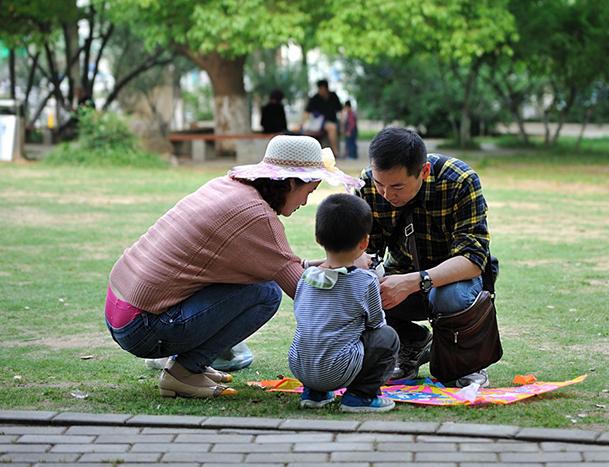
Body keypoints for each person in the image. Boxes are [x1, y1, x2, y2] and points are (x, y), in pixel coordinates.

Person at [105, 135, 362, 399]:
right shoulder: (257, 217)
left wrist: (336, 264)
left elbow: (283, 266)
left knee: (262, 285)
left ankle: (191, 365)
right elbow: (304, 292)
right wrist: (360, 290)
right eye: (309, 191)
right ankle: (184, 372)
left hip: (121, 310)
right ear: (292, 182)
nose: (305, 202)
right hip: (143, 327)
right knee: (267, 294)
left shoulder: (227, 188)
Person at [356, 127, 493, 388]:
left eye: (397, 186)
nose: (386, 194)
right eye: (379, 183)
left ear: (424, 171)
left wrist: (411, 282)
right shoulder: (366, 186)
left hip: (456, 279)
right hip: (400, 276)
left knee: (447, 295)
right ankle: (411, 343)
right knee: (361, 286)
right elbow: (365, 252)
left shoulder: (460, 181)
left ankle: (467, 362)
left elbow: (473, 259)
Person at [288, 193, 399, 413]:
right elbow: (377, 324)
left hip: (300, 366)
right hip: (337, 370)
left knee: (319, 333)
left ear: (318, 238)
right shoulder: (365, 281)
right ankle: (360, 396)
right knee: (388, 337)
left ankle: (314, 393)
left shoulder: (307, 276)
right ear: (365, 242)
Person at [302, 79, 343, 157]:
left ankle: (334, 151)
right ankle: (335, 151)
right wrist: (304, 123)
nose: (320, 90)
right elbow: (307, 112)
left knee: (333, 126)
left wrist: (342, 123)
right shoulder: (315, 98)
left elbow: (340, 110)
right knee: (332, 127)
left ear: (326, 88)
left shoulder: (333, 96)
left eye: (321, 88)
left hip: (332, 120)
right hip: (319, 123)